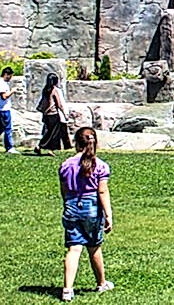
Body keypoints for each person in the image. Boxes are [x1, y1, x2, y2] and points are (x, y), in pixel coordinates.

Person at [59, 127, 114, 302]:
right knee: (94, 247)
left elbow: (64, 190)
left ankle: (67, 289)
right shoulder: (101, 165)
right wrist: (108, 214)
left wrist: (68, 204)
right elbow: (102, 191)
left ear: (76, 143)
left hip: (71, 206)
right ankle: (101, 283)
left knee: (74, 248)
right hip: (92, 208)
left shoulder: (66, 165)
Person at [34, 73, 70, 156]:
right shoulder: (55, 90)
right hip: (53, 114)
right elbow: (59, 104)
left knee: (49, 132)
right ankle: (41, 146)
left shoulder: (45, 89)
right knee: (53, 134)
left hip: (46, 114)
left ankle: (47, 149)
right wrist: (65, 113)